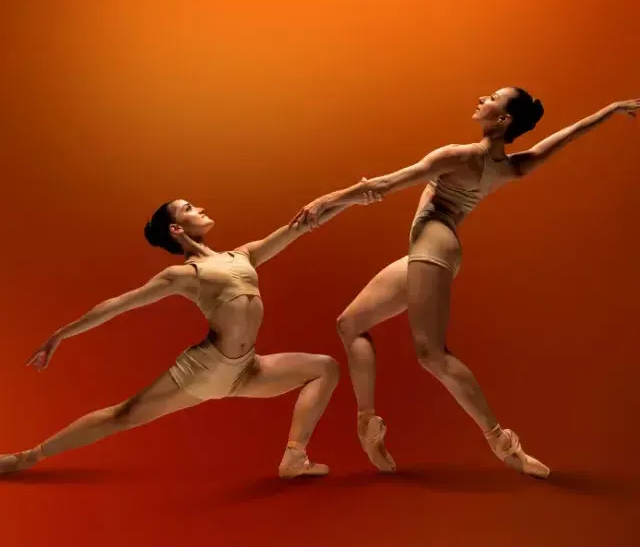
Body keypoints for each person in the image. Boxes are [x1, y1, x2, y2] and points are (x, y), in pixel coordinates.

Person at [290, 90, 640, 478]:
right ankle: (368, 424)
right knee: (350, 323)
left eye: (493, 98)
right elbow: (559, 140)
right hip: (430, 249)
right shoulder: (510, 166)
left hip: (433, 246)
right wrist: (609, 110)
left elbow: (386, 187)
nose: (482, 97)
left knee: (431, 354)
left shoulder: (458, 156)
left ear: (504, 120)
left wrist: (327, 201)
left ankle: (503, 443)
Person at [0, 196, 370, 479]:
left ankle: (294, 457)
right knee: (123, 415)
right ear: (177, 230)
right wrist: (60, 335)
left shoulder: (244, 255)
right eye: (189, 208)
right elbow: (119, 305)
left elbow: (300, 226)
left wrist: (353, 196)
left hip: (246, 370)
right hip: (204, 369)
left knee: (325, 368)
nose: (200, 208)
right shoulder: (184, 274)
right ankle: (27, 457)